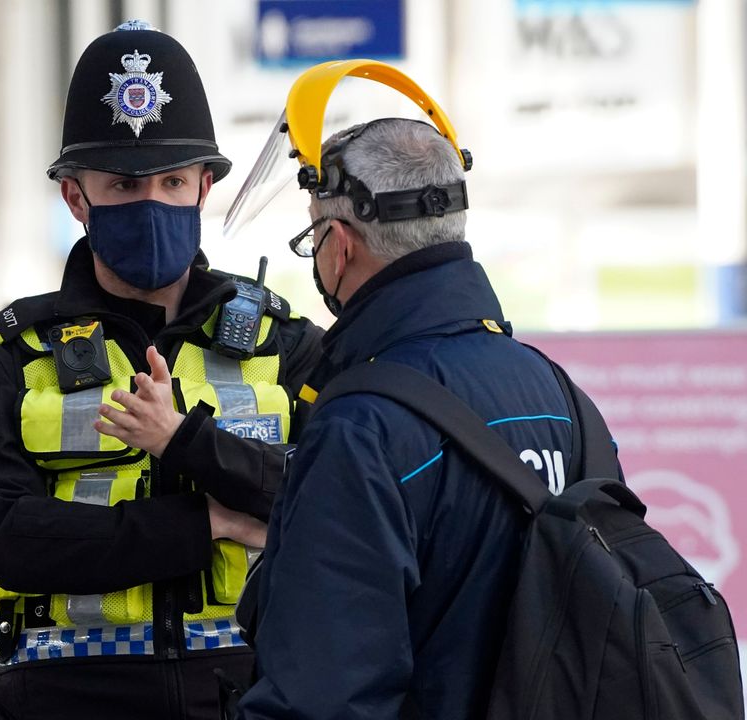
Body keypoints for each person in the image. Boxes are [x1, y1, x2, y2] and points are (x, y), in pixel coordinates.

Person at [0, 21, 325, 720]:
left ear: (205, 186)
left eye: (172, 180)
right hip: (65, 701)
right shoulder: (10, 352)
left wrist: (190, 445)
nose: (150, 202)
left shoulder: (286, 343)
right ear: (76, 197)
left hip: (245, 694)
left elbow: (331, 498)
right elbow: (6, 540)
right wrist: (204, 523)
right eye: (122, 183)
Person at [229, 64, 583, 719]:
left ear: (337, 246)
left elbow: (322, 696)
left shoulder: (361, 431)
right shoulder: (557, 394)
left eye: (312, 235)